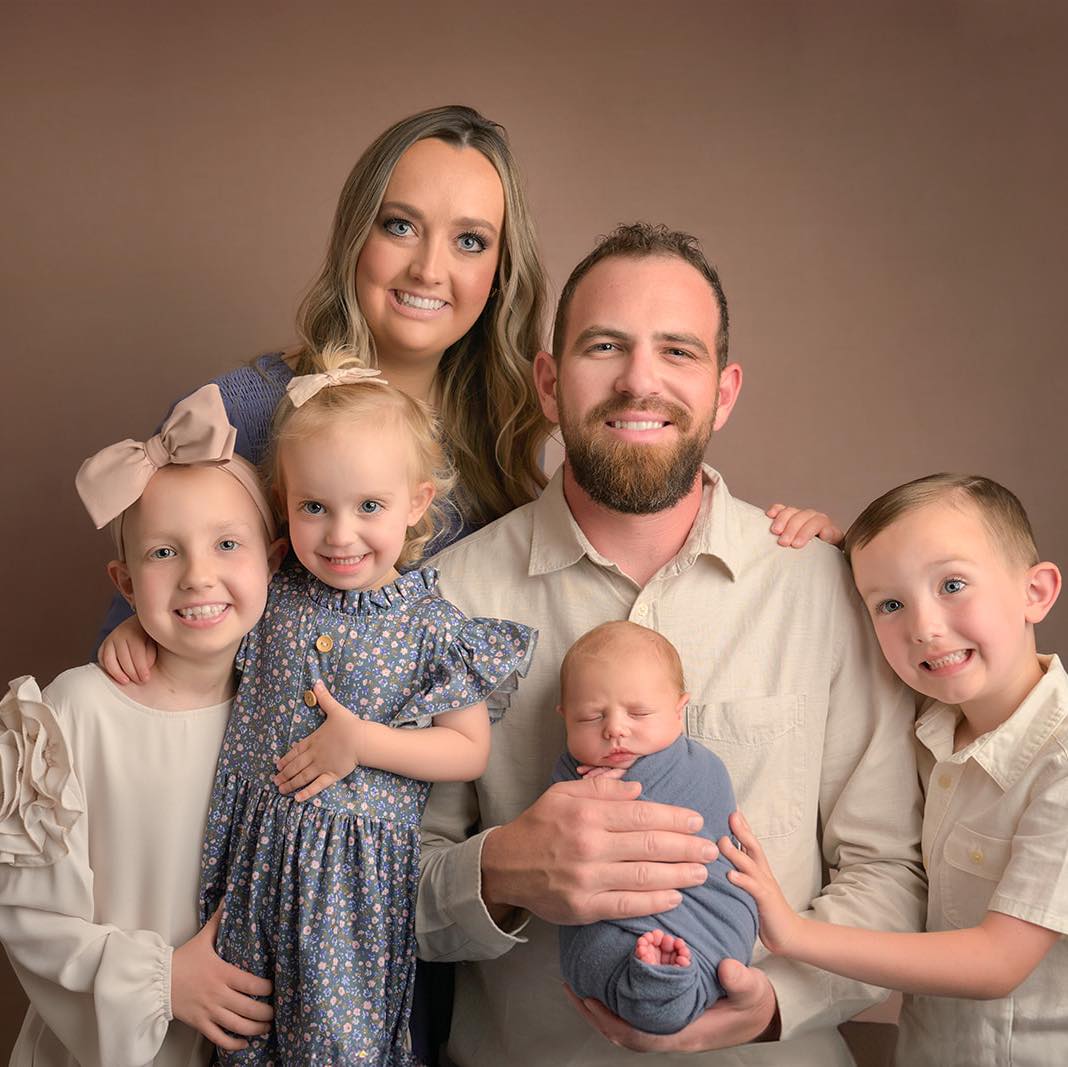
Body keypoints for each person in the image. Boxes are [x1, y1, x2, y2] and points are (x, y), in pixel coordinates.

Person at [417, 221, 927, 1067]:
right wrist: (501, 870)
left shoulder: (824, 592)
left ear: (724, 392)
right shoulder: (445, 597)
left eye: (677, 352)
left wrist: (778, 1003)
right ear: (549, 382)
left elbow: (890, 876)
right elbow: (369, 886)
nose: (639, 381)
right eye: (605, 345)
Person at [104, 357, 537, 1063]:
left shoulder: (431, 625)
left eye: (369, 506)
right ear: (285, 500)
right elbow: (201, 625)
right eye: (314, 507)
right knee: (235, 1030)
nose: (339, 534)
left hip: (350, 889)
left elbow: (467, 749)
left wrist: (362, 743)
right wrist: (141, 624)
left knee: (337, 1043)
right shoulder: (271, 593)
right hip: (247, 861)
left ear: (416, 500)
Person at [98, 102, 549, 664]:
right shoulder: (233, 414)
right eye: (400, 226)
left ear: (501, 272)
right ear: (356, 236)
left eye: (470, 241)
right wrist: (138, 635)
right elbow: (140, 622)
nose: (429, 269)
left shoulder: (501, 431)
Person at [722, 473, 1066, 1067]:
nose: (923, 627)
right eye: (890, 604)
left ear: (1035, 591)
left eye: (952, 584)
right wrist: (830, 561)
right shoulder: (931, 720)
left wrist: (793, 933)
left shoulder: (1058, 760)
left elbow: (997, 963)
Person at [0, 385, 287, 1066]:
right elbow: (28, 915)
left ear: (273, 564)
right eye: (164, 553)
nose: (198, 576)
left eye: (226, 544)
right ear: (124, 583)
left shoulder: (279, 710)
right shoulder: (72, 715)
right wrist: (162, 980)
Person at [552, 621, 758, 1035]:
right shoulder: (566, 773)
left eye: (639, 713)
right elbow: (556, 843)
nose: (615, 729)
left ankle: (666, 980)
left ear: (680, 708)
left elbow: (704, 824)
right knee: (599, 953)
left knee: (667, 996)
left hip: (701, 916)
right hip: (609, 933)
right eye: (590, 717)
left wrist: (628, 796)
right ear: (564, 718)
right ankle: (654, 974)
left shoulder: (701, 768)